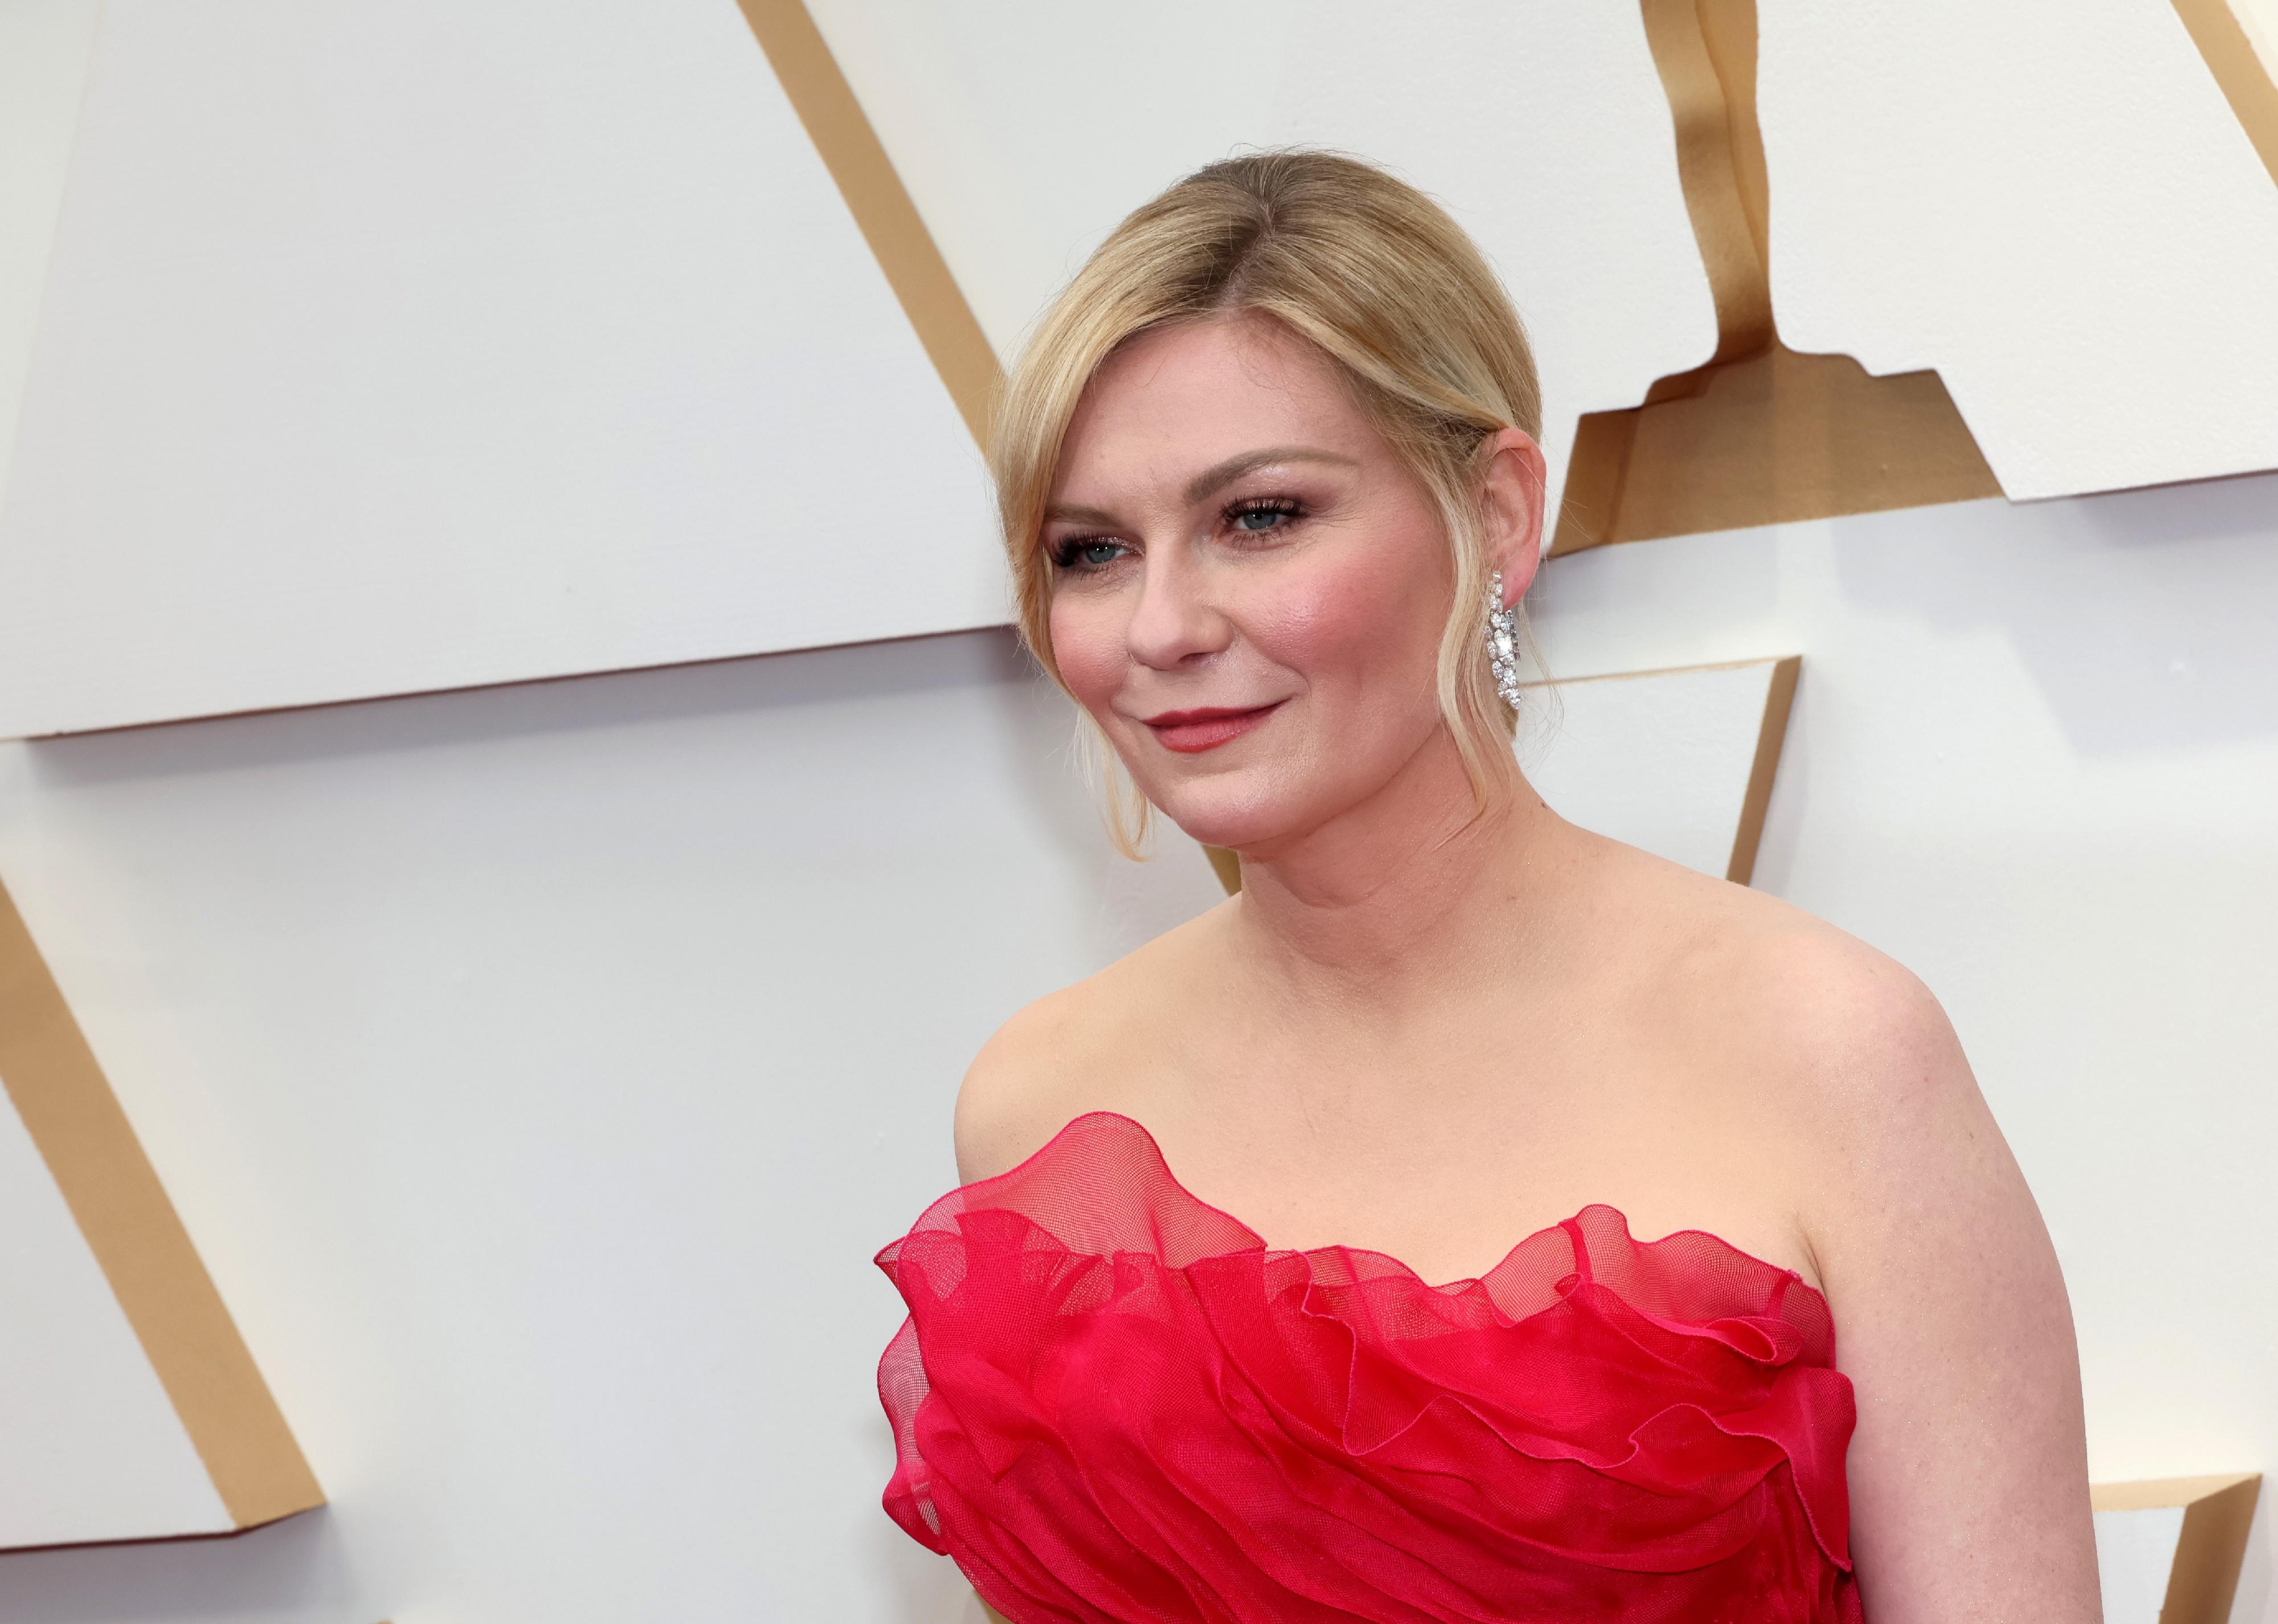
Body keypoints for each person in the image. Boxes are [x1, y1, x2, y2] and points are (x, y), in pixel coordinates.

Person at [873, 150, 2099, 1623]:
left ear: (1500, 519)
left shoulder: (1831, 1055)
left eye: (1258, 517)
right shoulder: (1036, 1112)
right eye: (1091, 550)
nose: (1163, 624)